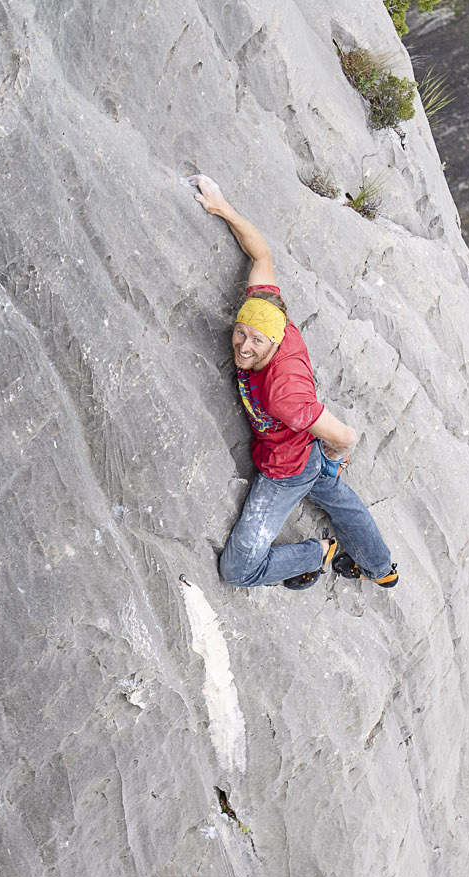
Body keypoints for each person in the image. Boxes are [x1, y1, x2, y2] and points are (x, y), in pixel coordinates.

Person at [187, 174, 398, 591]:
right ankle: (381, 568)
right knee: (335, 493)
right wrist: (222, 206)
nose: (243, 347)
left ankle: (317, 553)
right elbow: (260, 253)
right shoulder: (269, 311)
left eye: (255, 342)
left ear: (274, 337)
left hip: (285, 468)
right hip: (307, 451)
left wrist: (335, 452)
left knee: (238, 570)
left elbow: (346, 433)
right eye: (240, 333)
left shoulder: (283, 394)